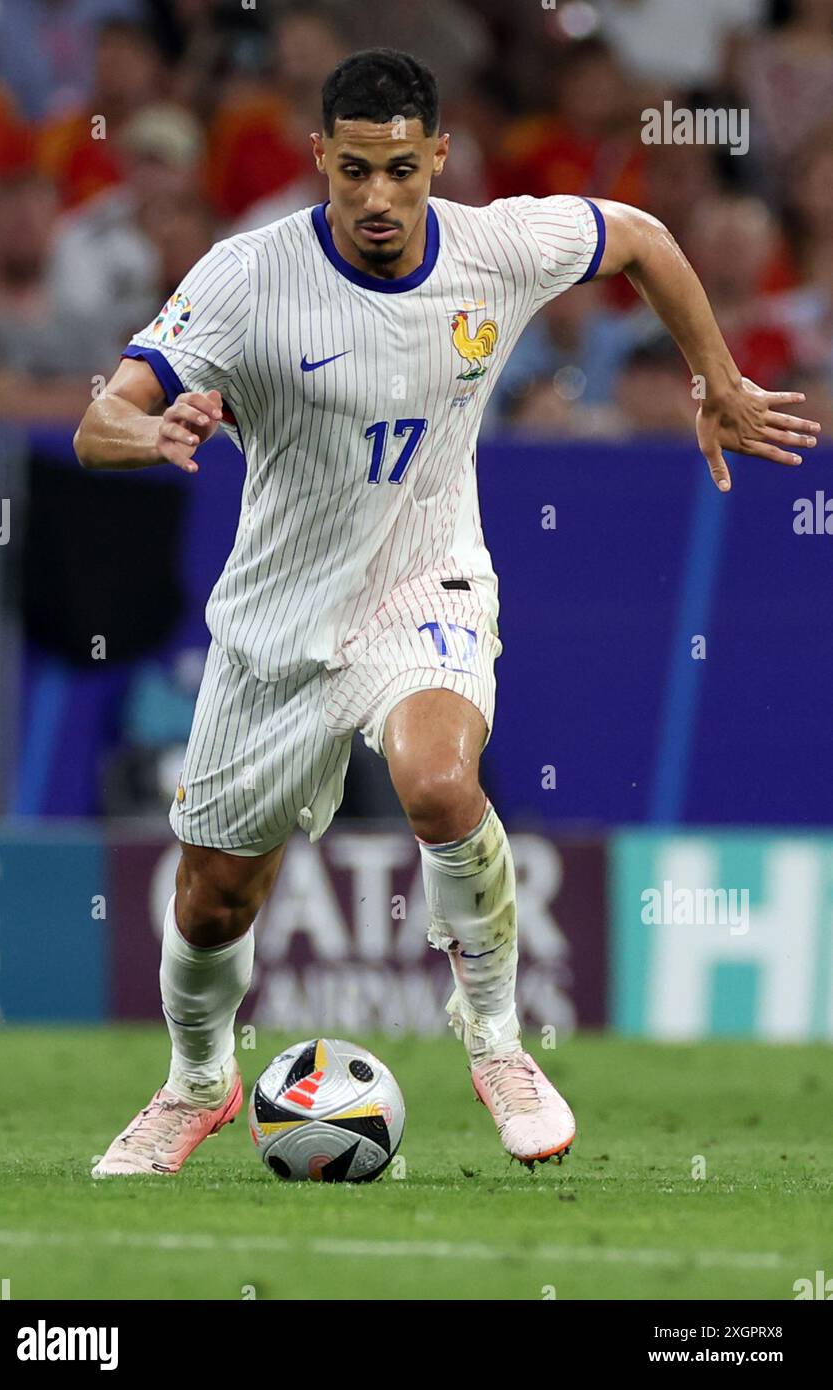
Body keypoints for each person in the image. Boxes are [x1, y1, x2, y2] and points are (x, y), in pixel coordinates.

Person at [74, 48, 820, 1178]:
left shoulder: (495, 245)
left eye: (402, 172)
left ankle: (496, 1040)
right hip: (278, 622)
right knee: (213, 900)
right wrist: (156, 432)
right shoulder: (245, 277)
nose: (378, 199)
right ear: (320, 158)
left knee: (436, 782)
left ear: (438, 159)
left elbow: (645, 240)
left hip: (428, 581)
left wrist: (711, 374)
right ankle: (195, 1082)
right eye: (355, 171)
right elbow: (98, 423)